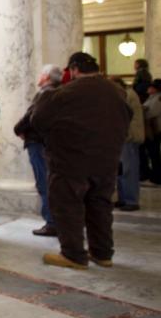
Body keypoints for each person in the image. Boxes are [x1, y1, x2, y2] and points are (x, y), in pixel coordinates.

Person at [31, 52, 130, 270]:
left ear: (74, 69)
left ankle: (73, 254)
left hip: (71, 160)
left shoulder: (66, 93)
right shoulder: (117, 91)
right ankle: (103, 253)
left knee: (68, 205)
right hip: (107, 160)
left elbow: (38, 119)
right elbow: (126, 119)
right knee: (101, 206)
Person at [14, 64, 62, 237]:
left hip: (39, 143)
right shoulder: (59, 93)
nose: (39, 77)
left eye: (42, 74)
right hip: (50, 143)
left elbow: (33, 116)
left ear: (47, 77)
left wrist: (18, 129)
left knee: (44, 183)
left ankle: (52, 222)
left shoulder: (45, 93)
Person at [113, 77, 144, 211]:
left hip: (129, 137)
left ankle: (131, 200)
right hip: (124, 137)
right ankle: (123, 198)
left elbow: (122, 115)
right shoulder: (126, 94)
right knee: (121, 170)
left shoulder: (127, 95)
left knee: (128, 170)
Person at [143, 79, 161, 184]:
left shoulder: (158, 98)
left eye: (150, 87)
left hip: (155, 129)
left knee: (154, 153)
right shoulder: (152, 98)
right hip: (151, 129)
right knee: (152, 152)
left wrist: (143, 110)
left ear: (155, 89)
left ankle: (157, 175)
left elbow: (152, 113)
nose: (148, 88)